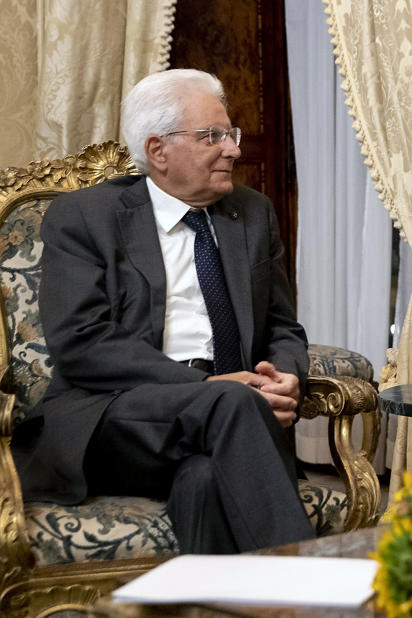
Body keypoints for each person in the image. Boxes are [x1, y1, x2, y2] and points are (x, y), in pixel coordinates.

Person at [11, 69, 316, 553]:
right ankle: (314, 592)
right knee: (233, 402)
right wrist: (207, 388)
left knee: (202, 479)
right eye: (213, 136)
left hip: (227, 417)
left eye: (230, 134)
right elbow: (80, 341)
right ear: (158, 151)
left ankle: (212, 606)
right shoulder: (85, 217)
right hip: (115, 415)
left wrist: (284, 375)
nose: (234, 149)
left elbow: (282, 325)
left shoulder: (253, 213)